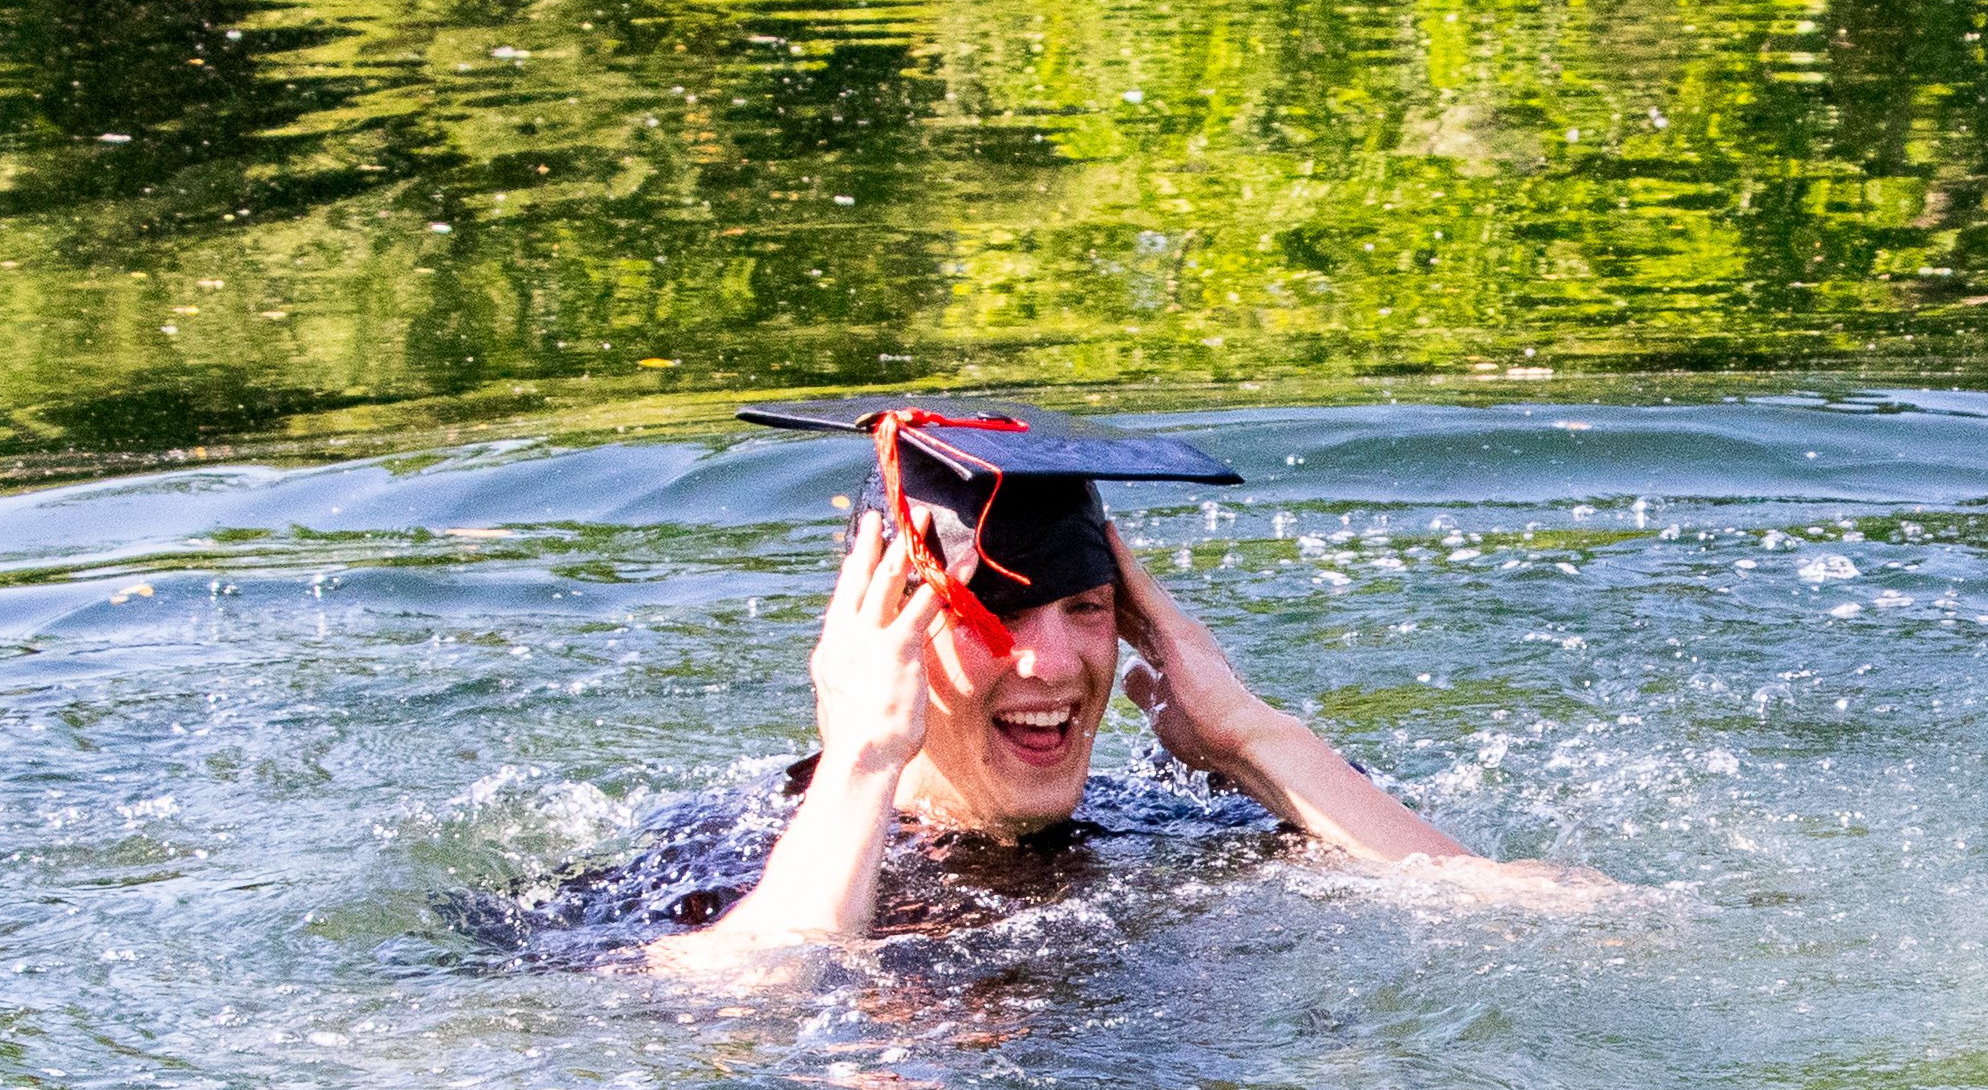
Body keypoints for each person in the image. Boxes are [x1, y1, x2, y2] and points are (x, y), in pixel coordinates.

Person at [642, 400, 1621, 975]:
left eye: (1086, 608)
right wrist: (861, 763)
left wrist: (1249, 735)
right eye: (996, 614)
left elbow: (1568, 924)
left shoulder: (1173, 829)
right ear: (878, 634)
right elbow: (735, 1024)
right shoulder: (721, 863)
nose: (1058, 664)